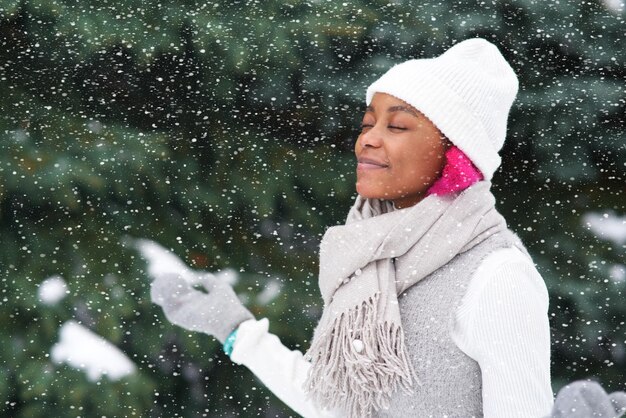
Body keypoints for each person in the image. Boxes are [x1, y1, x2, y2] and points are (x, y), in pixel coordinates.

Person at [151, 38, 555, 417]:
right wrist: (237, 333)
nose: (368, 141)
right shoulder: (370, 255)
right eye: (367, 124)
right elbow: (338, 404)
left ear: (456, 153)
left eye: (396, 127)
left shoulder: (495, 276)